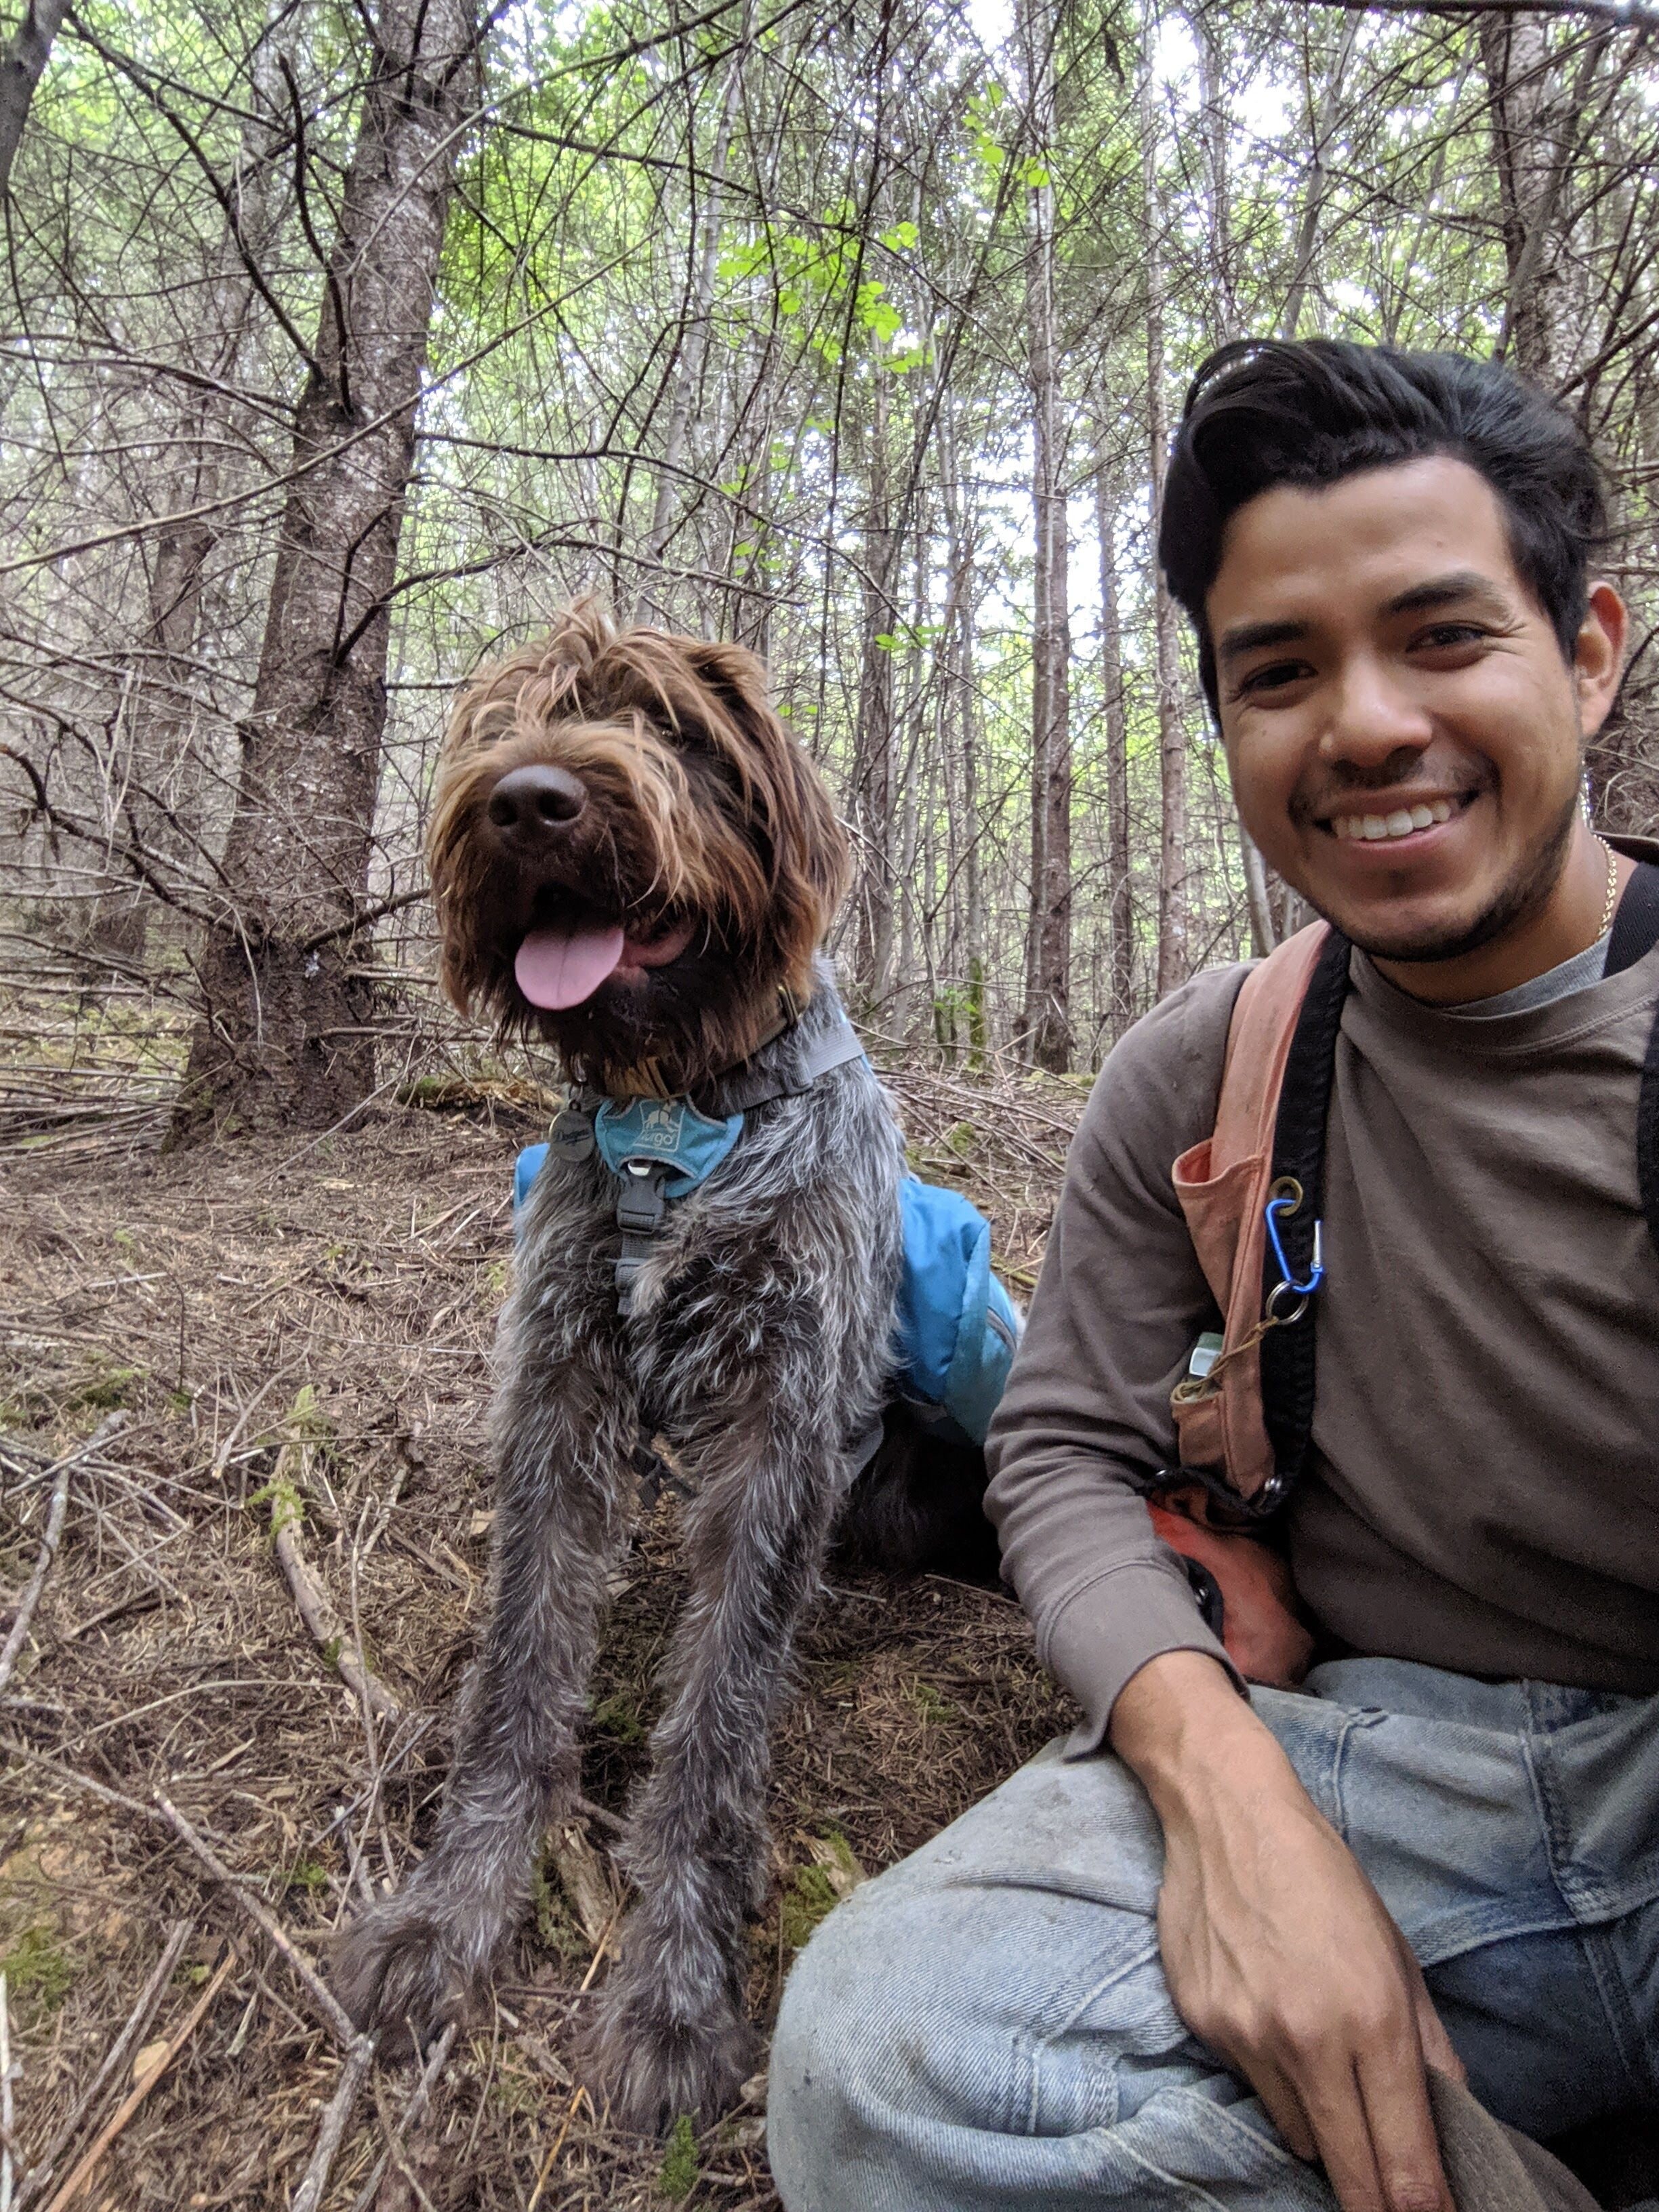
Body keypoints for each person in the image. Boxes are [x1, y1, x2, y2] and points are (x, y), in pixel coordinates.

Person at [765, 340, 1659, 2212]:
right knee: (888, 2068)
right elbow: (1064, 1454)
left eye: (1440, 637)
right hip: (1380, 1756)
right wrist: (1225, 1789)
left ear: (1586, 649)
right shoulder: (1214, 1069)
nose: (1366, 726)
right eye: (1279, 673)